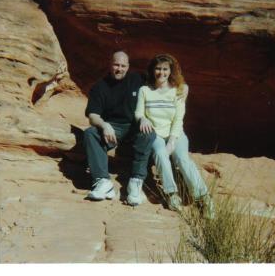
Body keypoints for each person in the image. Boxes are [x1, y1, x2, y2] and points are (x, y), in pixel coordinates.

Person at [135, 53, 214, 218]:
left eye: (165, 69)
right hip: (154, 133)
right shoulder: (145, 90)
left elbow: (178, 119)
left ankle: (204, 198)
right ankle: (172, 194)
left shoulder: (178, 91)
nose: (161, 73)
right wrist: (142, 118)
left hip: (175, 133)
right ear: (152, 70)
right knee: (160, 153)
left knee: (182, 159)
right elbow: (138, 112)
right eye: (158, 68)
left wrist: (172, 141)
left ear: (171, 71)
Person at [83, 51, 155, 205]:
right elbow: (92, 115)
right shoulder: (100, 87)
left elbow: (161, 81)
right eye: (116, 64)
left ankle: (136, 182)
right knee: (90, 133)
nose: (119, 69)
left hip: (135, 124)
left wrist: (182, 89)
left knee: (149, 134)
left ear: (128, 67)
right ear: (110, 64)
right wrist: (104, 125)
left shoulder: (138, 79)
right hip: (113, 128)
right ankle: (103, 182)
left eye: (123, 66)